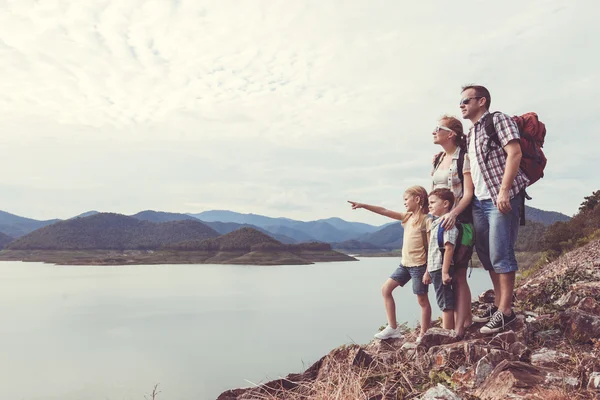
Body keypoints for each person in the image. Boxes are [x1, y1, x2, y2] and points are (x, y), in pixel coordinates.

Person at [460, 85, 528, 334]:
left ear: (482, 101)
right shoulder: (471, 133)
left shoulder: (498, 120)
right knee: (487, 254)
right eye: (461, 102)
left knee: (501, 252)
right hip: (479, 201)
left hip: (500, 197)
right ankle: (501, 306)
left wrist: (504, 190)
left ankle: (506, 312)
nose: (461, 105)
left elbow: (515, 153)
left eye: (466, 100)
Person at [348, 186, 432, 342]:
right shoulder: (407, 217)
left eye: (406, 199)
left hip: (419, 266)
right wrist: (363, 205)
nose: (405, 203)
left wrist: (428, 271)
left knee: (422, 301)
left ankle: (423, 334)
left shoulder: (427, 220)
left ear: (417, 199)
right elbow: (384, 211)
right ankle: (393, 328)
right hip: (405, 265)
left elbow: (432, 247)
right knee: (386, 289)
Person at [430, 115, 475, 333]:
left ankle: (462, 325)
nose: (433, 132)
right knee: (444, 272)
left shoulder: (463, 158)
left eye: (437, 128)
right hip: (440, 222)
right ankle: (463, 320)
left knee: (458, 274)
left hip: (459, 222)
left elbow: (468, 194)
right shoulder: (439, 159)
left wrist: (453, 214)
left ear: (451, 134)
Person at [423, 188, 460, 335]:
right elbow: (432, 249)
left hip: (440, 268)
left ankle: (447, 334)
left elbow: (448, 248)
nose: (429, 205)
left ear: (445, 203)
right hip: (435, 268)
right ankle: (448, 332)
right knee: (443, 301)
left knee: (445, 303)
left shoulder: (447, 223)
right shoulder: (436, 223)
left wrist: (444, 272)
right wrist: (427, 272)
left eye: (432, 202)